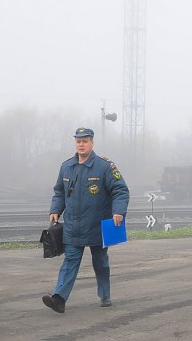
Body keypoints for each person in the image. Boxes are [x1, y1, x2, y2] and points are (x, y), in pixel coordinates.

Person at [42, 127, 129, 313]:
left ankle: (105, 295)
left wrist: (118, 211)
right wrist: (56, 209)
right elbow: (59, 191)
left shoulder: (105, 166)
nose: (81, 144)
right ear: (75, 143)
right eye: (78, 141)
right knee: (70, 261)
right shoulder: (66, 166)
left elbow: (120, 190)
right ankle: (59, 298)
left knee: (100, 262)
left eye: (85, 141)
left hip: (98, 225)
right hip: (73, 226)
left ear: (92, 143)